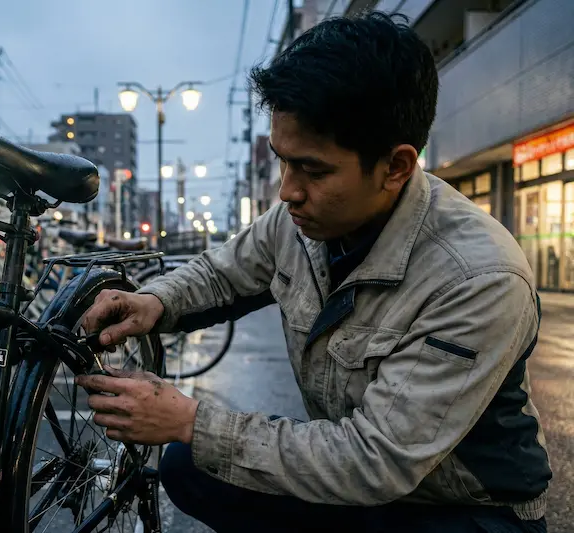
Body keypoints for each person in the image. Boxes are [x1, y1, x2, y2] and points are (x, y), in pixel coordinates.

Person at [75, 11, 551, 533]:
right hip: (361, 484)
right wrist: (153, 302)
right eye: (282, 160)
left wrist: (191, 419)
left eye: (314, 170)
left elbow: (377, 460)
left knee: (199, 443)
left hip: (465, 509)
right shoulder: (298, 221)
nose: (287, 191)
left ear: (396, 166)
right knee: (193, 468)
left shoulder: (478, 278)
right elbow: (222, 274)